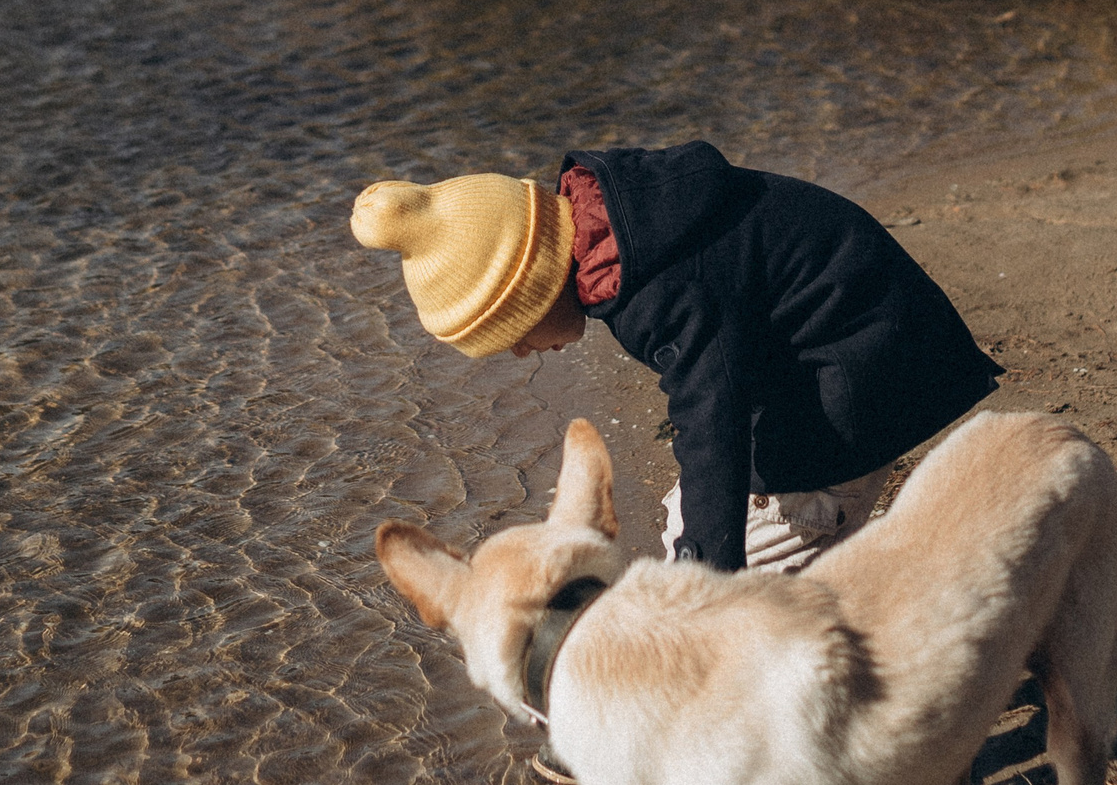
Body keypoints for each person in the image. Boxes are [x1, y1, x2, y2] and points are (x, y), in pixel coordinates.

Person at [352, 141, 1001, 572]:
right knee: (685, 523)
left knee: (752, 549)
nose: (524, 351)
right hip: (861, 340)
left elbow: (714, 417)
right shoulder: (630, 224)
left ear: (530, 287)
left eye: (512, 332)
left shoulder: (657, 288)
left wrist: (706, 575)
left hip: (868, 371)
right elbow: (714, 370)